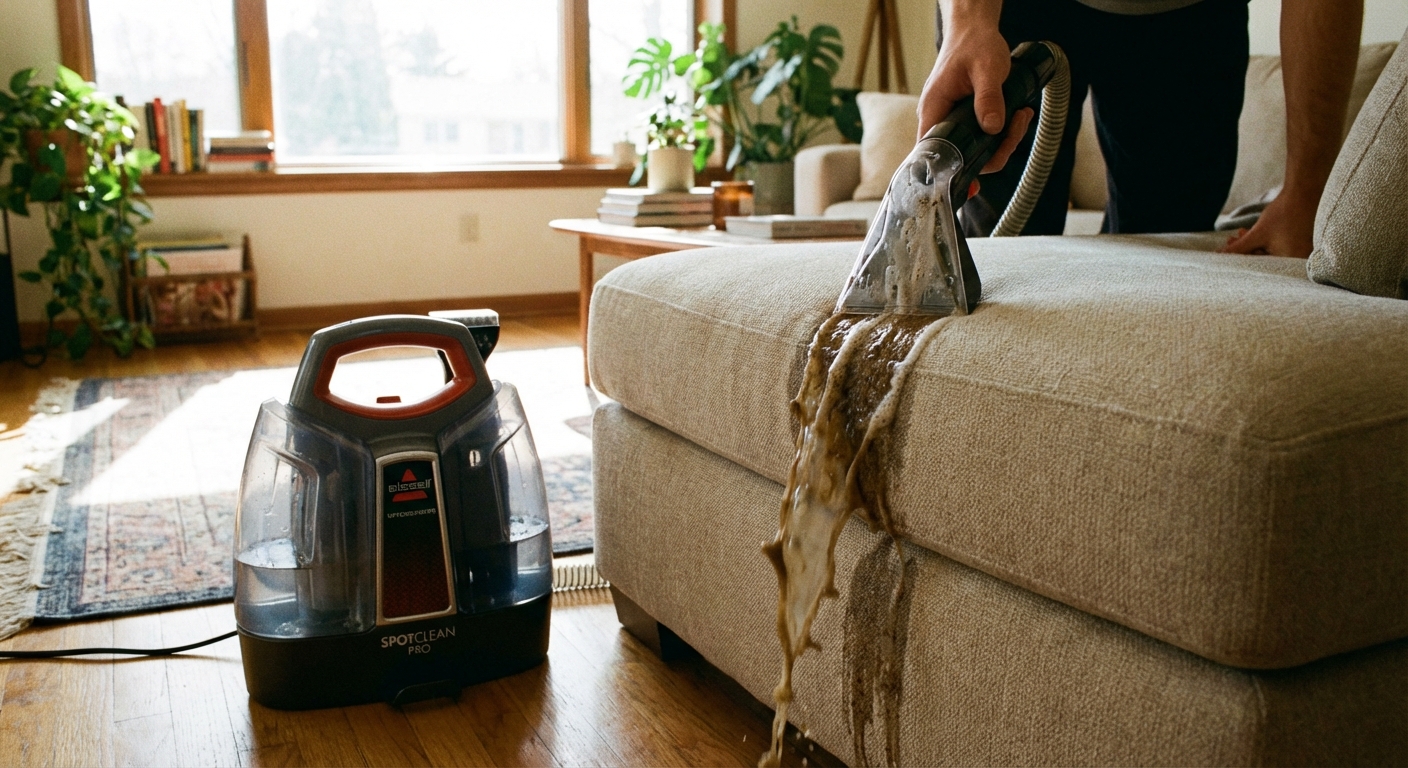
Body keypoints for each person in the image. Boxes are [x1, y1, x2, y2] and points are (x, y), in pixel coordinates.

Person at [919, 0, 1363, 258]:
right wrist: (969, 20)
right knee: (1004, 243)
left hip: (1187, 16)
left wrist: (1307, 191)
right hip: (1013, 6)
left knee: (1166, 247)